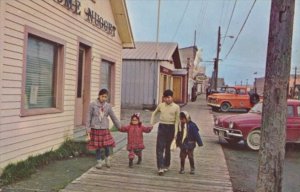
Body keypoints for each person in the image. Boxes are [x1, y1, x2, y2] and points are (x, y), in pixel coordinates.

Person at [86, 89, 121, 169]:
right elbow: (88, 117)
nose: (104, 98)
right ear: (99, 95)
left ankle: (107, 160)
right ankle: (99, 162)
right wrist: (88, 129)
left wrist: (119, 126)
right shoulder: (92, 105)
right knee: (97, 147)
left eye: (106, 97)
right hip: (95, 128)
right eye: (102, 96)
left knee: (107, 145)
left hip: (104, 128)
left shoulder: (108, 106)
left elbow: (113, 117)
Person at [151, 89, 180, 176]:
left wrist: (176, 133)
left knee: (168, 148)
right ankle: (160, 167)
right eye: (165, 98)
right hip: (162, 127)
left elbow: (177, 121)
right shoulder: (161, 105)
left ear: (172, 97)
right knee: (159, 147)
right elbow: (154, 113)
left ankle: (166, 164)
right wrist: (152, 123)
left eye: (169, 97)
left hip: (171, 128)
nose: (167, 99)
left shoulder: (176, 107)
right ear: (163, 98)